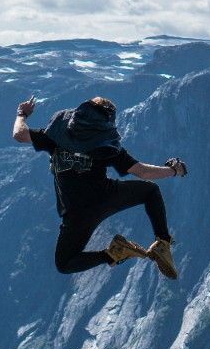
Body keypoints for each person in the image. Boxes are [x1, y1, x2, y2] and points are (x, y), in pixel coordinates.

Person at [11, 95, 187, 278]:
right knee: (150, 191)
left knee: (65, 263)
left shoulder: (55, 136)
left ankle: (113, 253)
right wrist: (174, 170)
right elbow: (143, 172)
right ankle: (163, 244)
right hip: (107, 197)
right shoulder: (106, 145)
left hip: (77, 214)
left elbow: (19, 134)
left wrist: (22, 113)